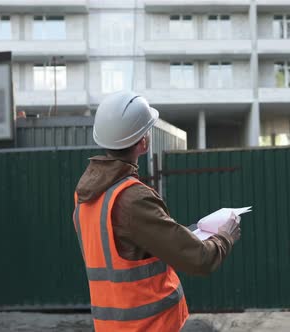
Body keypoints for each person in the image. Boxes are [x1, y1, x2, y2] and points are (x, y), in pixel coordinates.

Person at [72, 90, 241, 332]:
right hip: (151, 326)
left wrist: (182, 234)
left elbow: (127, 251)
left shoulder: (85, 196)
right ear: (142, 142)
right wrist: (225, 236)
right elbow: (200, 259)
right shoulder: (132, 198)